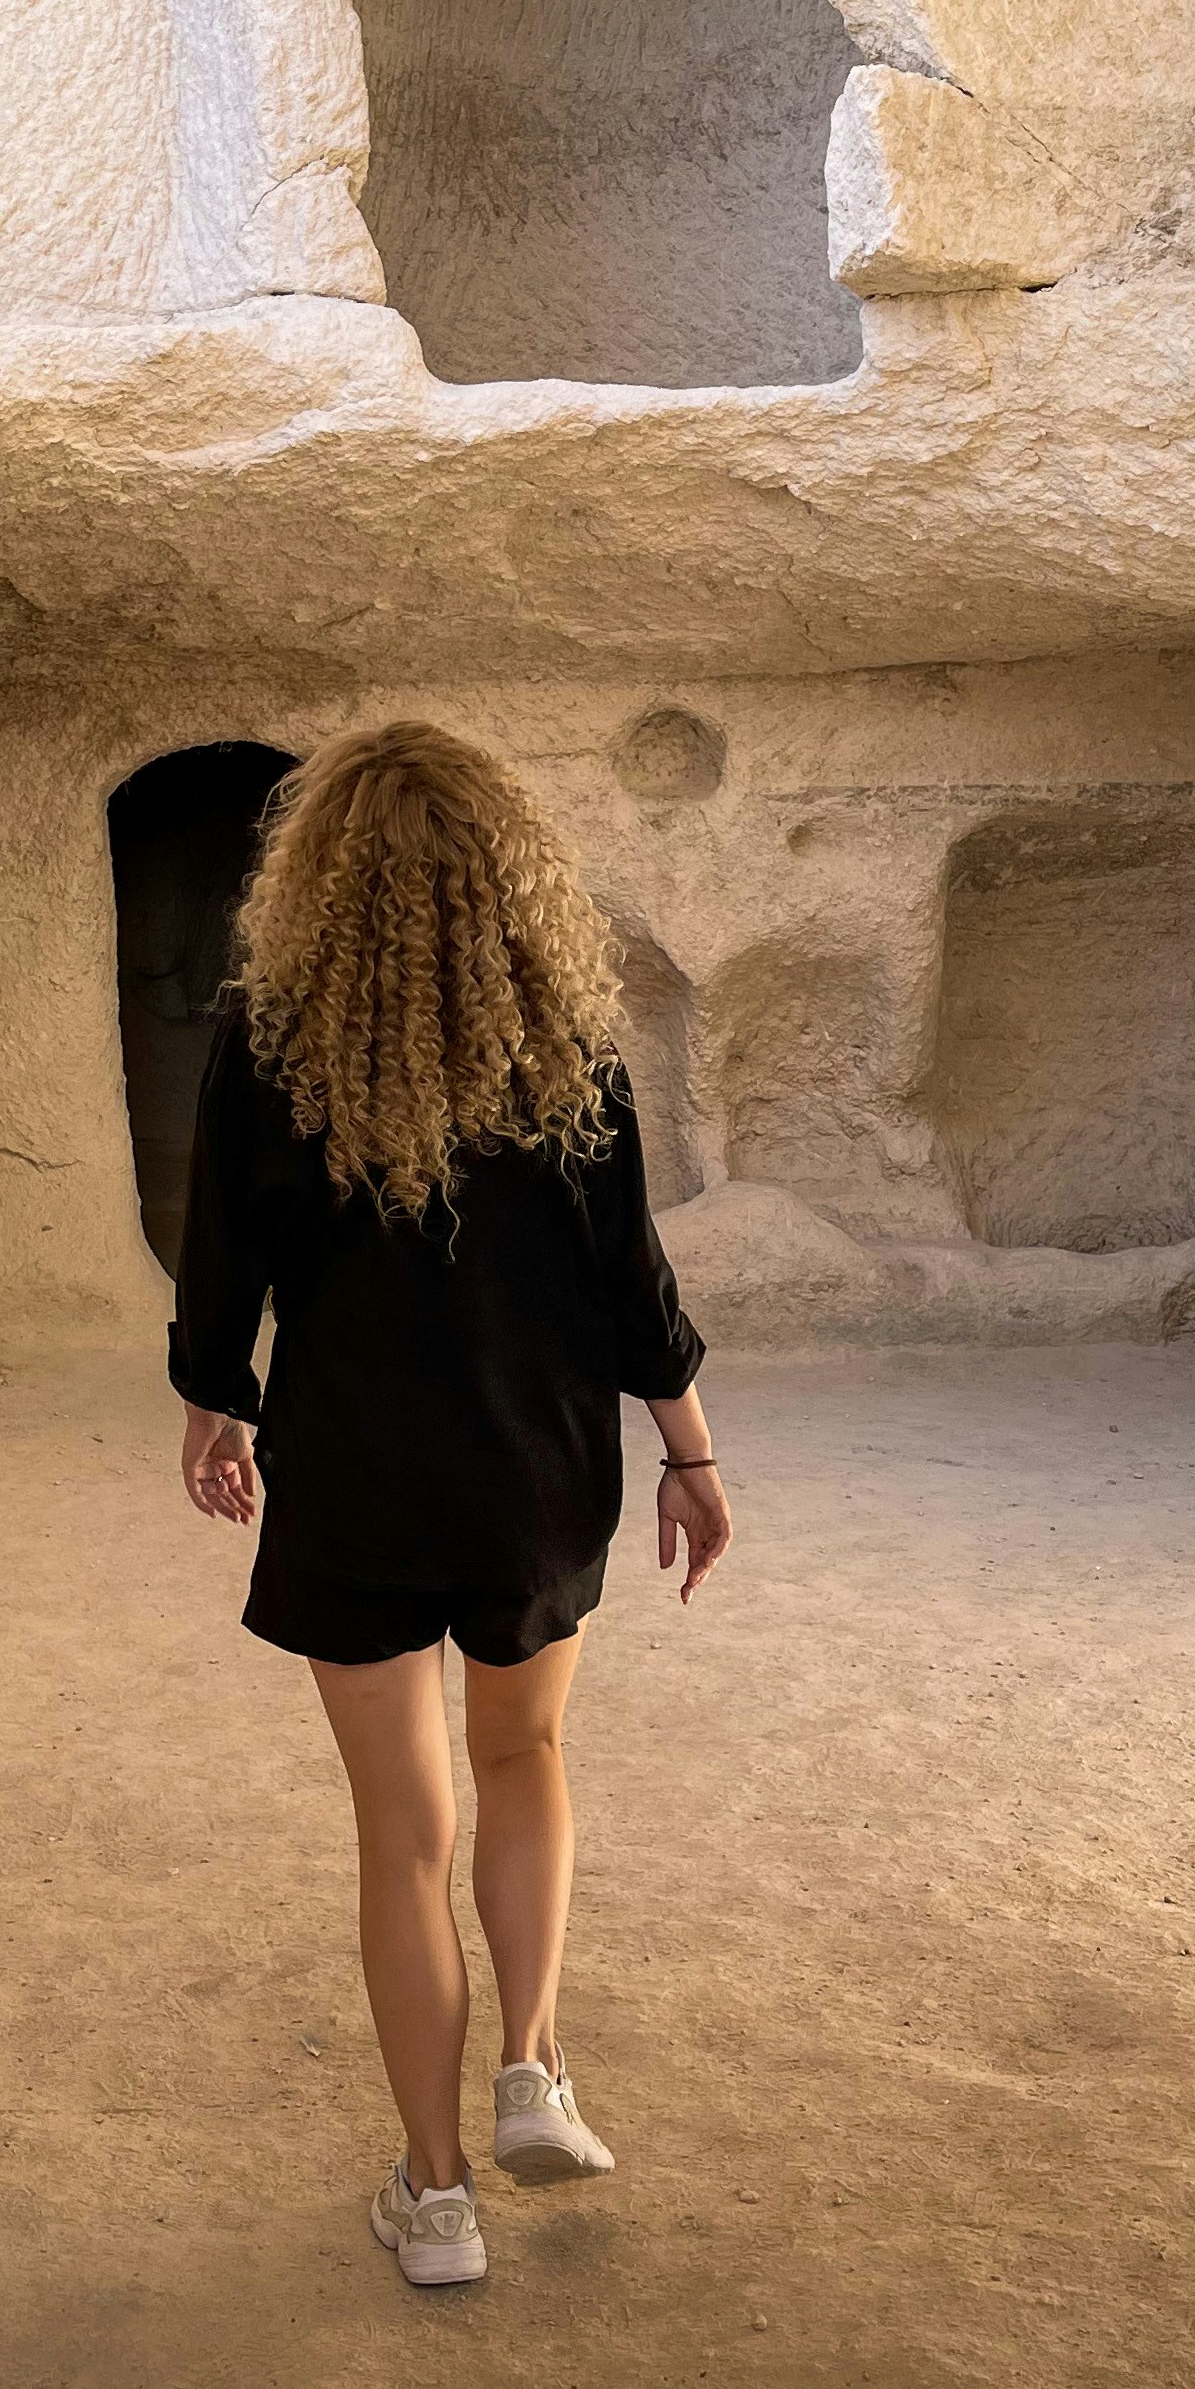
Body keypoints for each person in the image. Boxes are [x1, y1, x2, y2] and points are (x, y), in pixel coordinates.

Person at [167, 720, 731, 2290]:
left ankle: (436, 2201)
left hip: (354, 1468)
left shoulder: (271, 1045)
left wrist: (216, 1407)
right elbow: (634, 1280)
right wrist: (691, 1452)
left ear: (318, 883)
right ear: (509, 875)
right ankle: (534, 2073)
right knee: (525, 1756)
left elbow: (224, 1258)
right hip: (536, 1470)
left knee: (401, 1833)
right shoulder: (568, 1047)